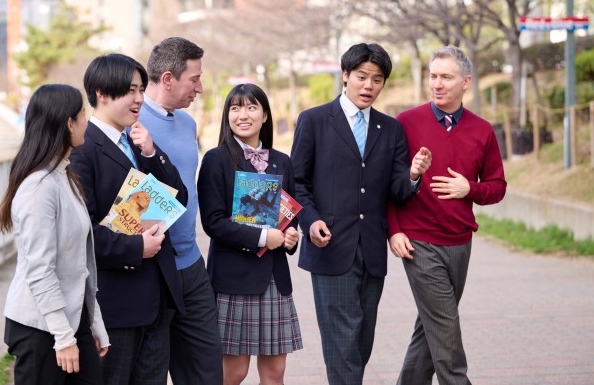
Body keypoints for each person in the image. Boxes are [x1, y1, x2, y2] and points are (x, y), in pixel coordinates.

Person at [290, 42, 432, 385]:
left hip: (370, 251)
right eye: (362, 77)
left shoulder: (390, 128)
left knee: (361, 339)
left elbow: (395, 190)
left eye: (377, 79)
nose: (369, 86)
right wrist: (310, 222)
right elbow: (296, 182)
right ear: (345, 76)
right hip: (329, 245)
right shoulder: (314, 121)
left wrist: (413, 174)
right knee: (342, 342)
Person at [388, 45, 507, 385]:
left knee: (431, 328)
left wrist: (469, 189)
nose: (437, 84)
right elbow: (389, 184)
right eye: (433, 76)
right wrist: (394, 230)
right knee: (446, 330)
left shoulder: (482, 130)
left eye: (446, 77)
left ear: (466, 81)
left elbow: (498, 187)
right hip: (418, 242)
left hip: (459, 243)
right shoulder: (406, 123)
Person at [69, 53, 187, 385]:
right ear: (101, 94)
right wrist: (136, 247)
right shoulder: (82, 149)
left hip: (156, 300)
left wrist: (151, 153)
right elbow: (82, 232)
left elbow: (178, 197)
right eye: (129, 91)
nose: (138, 99)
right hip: (114, 305)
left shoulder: (138, 141)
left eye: (140, 89)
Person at [0, 84, 109, 385]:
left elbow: (78, 264)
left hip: (71, 321)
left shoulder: (64, 176)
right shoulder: (39, 187)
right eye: (83, 114)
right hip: (41, 327)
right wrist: (64, 337)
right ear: (68, 123)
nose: (87, 120)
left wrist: (92, 324)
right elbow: (40, 270)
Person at [197, 84, 302, 385]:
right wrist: (261, 238)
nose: (243, 115)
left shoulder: (283, 161)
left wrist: (291, 236)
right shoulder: (217, 159)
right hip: (234, 280)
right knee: (234, 373)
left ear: (265, 114)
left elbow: (288, 216)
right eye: (236, 108)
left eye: (251, 107)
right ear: (227, 115)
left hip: (274, 277)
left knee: (274, 374)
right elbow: (213, 222)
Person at [139, 37, 222, 384]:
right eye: (195, 79)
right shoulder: (133, 122)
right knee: (152, 371)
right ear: (169, 78)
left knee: (207, 371)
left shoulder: (187, 123)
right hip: (152, 268)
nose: (200, 88)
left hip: (192, 265)